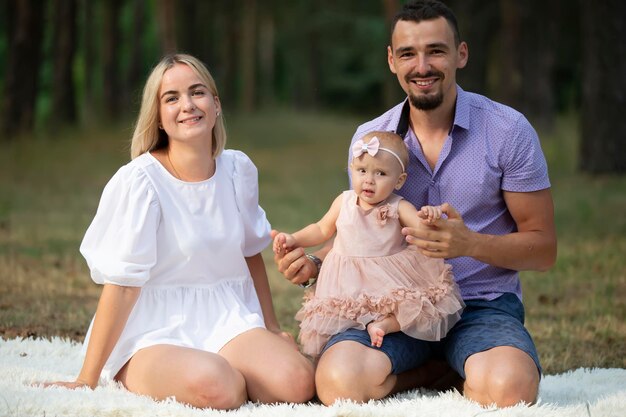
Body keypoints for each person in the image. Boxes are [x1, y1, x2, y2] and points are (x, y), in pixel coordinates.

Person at [273, 0, 556, 408]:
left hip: (481, 304)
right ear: (392, 60)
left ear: (461, 54)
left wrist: (469, 244)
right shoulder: (371, 140)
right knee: (337, 383)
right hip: (386, 309)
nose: (422, 66)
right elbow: (359, 229)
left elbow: (544, 249)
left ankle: (466, 365)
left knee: (510, 389)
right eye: (408, 53)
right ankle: (435, 374)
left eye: (436, 51)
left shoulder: (508, 131)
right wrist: (314, 265)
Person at [43, 53, 315, 409]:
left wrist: (270, 326)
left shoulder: (237, 171)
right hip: (153, 328)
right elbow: (122, 287)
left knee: (297, 383)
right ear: (158, 117)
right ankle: (184, 372)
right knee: (219, 387)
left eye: (197, 92)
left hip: (226, 316)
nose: (187, 105)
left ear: (216, 105)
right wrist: (86, 379)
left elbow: (251, 254)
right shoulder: (141, 182)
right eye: (171, 98)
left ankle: (229, 369)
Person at [272, 131, 464, 357]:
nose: (369, 180)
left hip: (385, 277)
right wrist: (294, 239)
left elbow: (423, 230)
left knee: (412, 308)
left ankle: (384, 325)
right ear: (351, 170)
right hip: (345, 281)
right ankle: (344, 345)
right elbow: (321, 229)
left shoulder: (398, 206)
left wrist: (431, 216)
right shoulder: (344, 201)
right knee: (339, 316)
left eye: (381, 173)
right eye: (362, 171)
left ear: (399, 180)